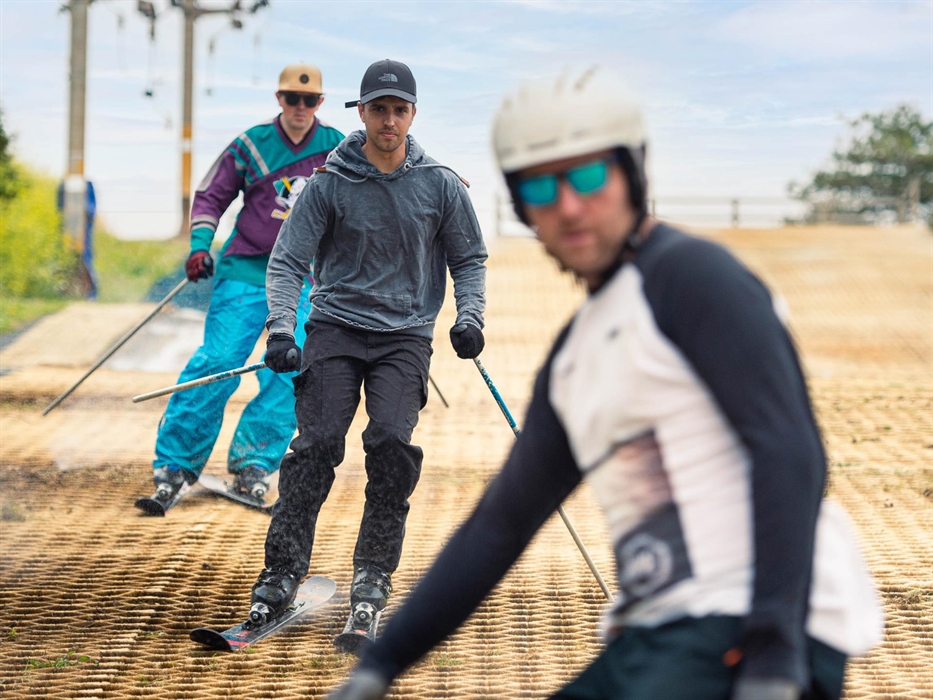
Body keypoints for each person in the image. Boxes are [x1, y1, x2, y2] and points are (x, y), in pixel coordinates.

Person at [326, 67, 884, 700]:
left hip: (756, 620)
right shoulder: (577, 355)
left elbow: (789, 451)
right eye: (539, 186)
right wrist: (379, 666)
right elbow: (500, 525)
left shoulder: (694, 279)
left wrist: (774, 658)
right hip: (656, 632)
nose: (567, 205)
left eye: (588, 175)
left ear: (634, 172)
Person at [249, 59, 487, 645]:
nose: (388, 119)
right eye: (377, 108)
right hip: (334, 327)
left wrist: (469, 318)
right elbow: (287, 261)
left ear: (412, 114)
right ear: (361, 113)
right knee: (317, 445)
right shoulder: (331, 182)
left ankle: (372, 582)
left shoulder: (440, 184)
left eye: (398, 109)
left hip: (405, 336)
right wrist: (283, 330)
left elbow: (469, 259)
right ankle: (278, 579)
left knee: (390, 446)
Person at [144, 63, 344, 508]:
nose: (300, 107)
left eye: (309, 100)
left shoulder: (337, 148)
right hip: (246, 270)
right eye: (292, 98)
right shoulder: (251, 145)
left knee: (290, 369)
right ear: (279, 99)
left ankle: (254, 463)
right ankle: (174, 464)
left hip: (305, 280)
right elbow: (212, 195)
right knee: (217, 361)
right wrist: (199, 244)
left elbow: (364, 199)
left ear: (320, 104)